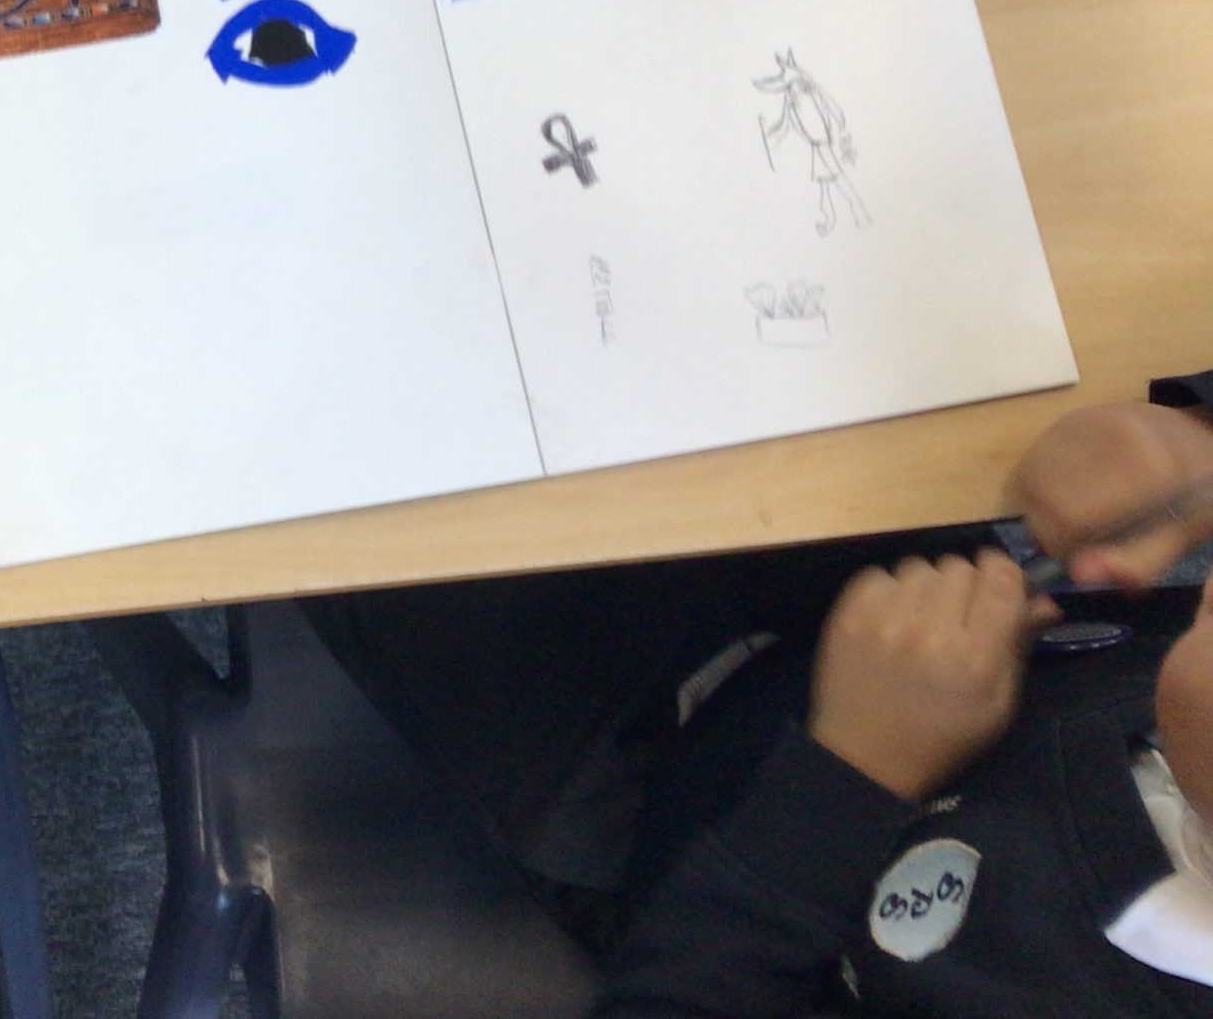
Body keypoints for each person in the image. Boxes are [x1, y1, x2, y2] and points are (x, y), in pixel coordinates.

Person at [328, 379, 1213, 1015]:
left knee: (362, 465)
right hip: (909, 590)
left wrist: (850, 779)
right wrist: (1195, 441)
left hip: (674, 808)